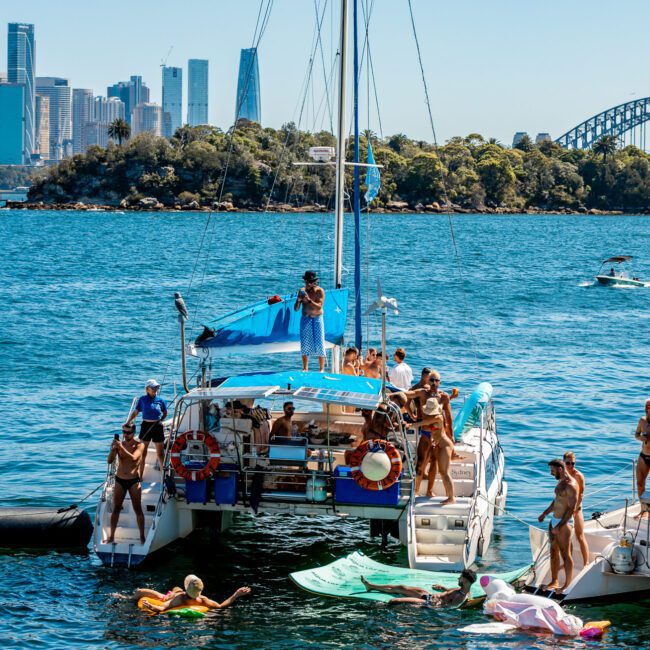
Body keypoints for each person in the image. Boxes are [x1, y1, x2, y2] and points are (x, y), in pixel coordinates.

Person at [538, 459, 578, 593]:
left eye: (552, 471)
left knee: (565, 554)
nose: (551, 473)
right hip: (554, 520)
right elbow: (557, 501)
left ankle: (566, 584)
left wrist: (560, 525)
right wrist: (545, 513)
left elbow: (571, 509)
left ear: (560, 469)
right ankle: (554, 581)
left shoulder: (571, 485)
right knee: (553, 552)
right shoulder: (560, 482)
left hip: (564, 523)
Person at [104, 423, 146, 544]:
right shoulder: (119, 445)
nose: (126, 435)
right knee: (116, 508)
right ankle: (112, 536)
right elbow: (109, 460)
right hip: (120, 480)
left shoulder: (140, 445)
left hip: (133, 481)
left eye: (128, 433)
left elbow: (134, 458)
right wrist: (113, 449)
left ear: (133, 433)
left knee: (137, 509)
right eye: (124, 432)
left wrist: (121, 448)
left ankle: (142, 536)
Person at [360, 569, 477, 607]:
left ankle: (381, 610)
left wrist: (424, 606)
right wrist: (443, 588)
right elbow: (449, 592)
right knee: (401, 587)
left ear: (465, 581)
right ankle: (370, 586)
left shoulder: (460, 598)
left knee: (394, 601)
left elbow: (444, 608)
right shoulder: (461, 590)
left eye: (460, 577)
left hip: (429, 601)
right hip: (430, 595)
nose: (458, 578)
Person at [138, 574, 251, 613]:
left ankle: (124, 597)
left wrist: (151, 606)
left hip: (167, 597)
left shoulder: (180, 598)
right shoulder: (203, 600)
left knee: (139, 592)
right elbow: (221, 606)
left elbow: (162, 608)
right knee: (176, 589)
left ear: (187, 589)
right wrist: (236, 594)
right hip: (181, 596)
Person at [125, 378, 168, 478]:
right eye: (153, 387)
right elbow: (136, 412)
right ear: (147, 389)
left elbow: (165, 412)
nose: (155, 389)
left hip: (157, 426)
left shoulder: (160, 400)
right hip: (146, 426)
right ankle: (140, 477)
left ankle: (164, 477)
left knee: (160, 454)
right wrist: (128, 422)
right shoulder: (142, 399)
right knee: (143, 453)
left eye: (156, 387)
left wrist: (161, 420)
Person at [419, 398, 455, 504]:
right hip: (439, 445)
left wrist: (410, 425)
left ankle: (451, 498)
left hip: (445, 446)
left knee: (445, 472)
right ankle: (450, 497)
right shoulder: (435, 415)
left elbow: (424, 422)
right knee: (442, 472)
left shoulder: (438, 417)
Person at [294, 270, 326, 372]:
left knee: (319, 342)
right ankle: (305, 367)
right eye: (306, 282)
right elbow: (296, 309)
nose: (308, 284)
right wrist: (299, 300)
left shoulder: (319, 291)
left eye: (310, 282)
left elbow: (319, 306)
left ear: (314, 282)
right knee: (305, 342)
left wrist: (309, 300)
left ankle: (321, 369)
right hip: (305, 318)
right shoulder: (302, 291)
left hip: (317, 318)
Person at [563, 451, 589, 565]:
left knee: (580, 536)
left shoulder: (578, 476)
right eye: (568, 463)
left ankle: (586, 563)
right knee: (567, 538)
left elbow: (581, 495)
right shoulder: (562, 475)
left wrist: (574, 510)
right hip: (565, 509)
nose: (570, 466)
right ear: (563, 462)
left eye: (573, 463)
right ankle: (568, 562)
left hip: (576, 509)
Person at [635, 399, 650, 518]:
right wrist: (642, 438)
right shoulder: (642, 420)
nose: (646, 409)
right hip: (643, 455)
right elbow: (636, 434)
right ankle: (643, 510)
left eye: (649, 407)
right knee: (640, 483)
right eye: (646, 407)